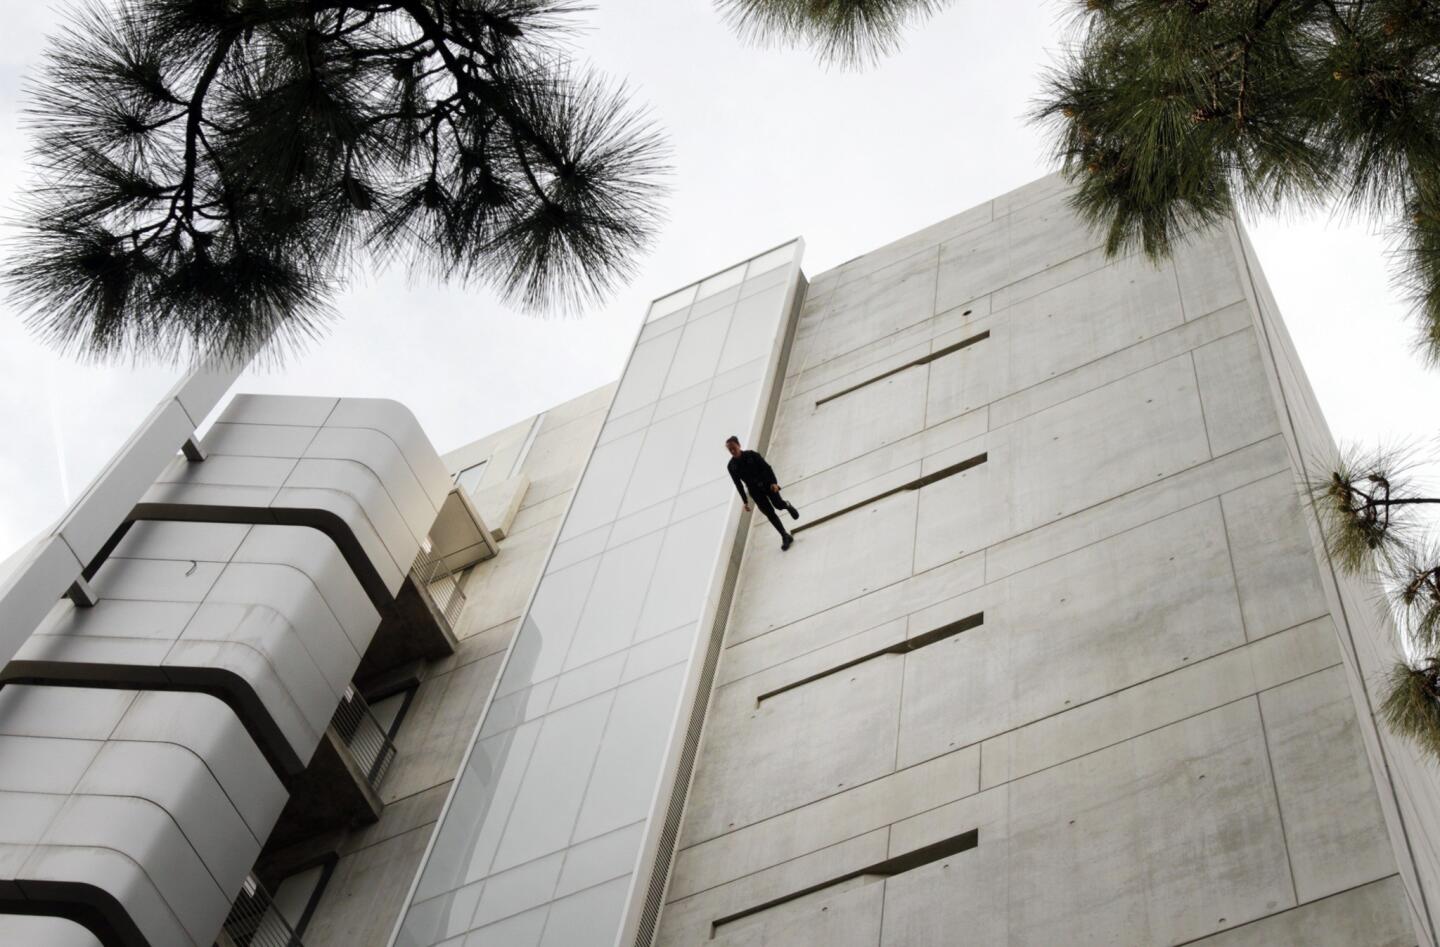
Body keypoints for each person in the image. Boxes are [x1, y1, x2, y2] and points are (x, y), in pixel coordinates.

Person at [725, 435, 800, 550]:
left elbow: (767, 468)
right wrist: (745, 501)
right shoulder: (731, 466)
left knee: (778, 505)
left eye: (733, 447)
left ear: (739, 445)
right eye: (729, 449)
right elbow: (738, 484)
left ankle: (787, 505)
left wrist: (774, 483)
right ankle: (785, 535)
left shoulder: (751, 455)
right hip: (755, 492)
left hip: (767, 484)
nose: (732, 451)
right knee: (770, 514)